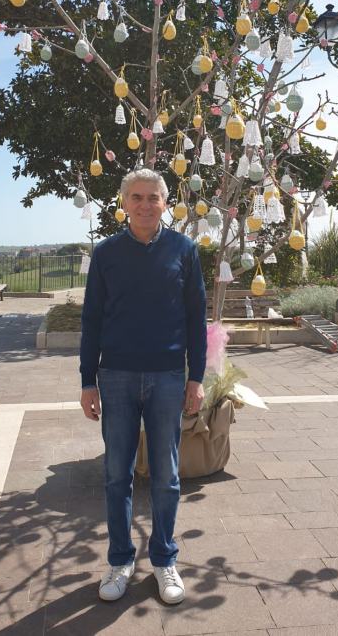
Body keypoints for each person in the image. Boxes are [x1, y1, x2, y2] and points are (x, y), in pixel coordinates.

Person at [79, 168, 207, 605]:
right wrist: (86, 381)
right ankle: (119, 560)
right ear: (124, 202)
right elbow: (91, 319)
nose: (145, 205)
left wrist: (197, 378)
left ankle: (164, 559)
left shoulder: (184, 250)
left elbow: (196, 319)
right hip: (115, 376)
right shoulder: (106, 254)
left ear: (166, 203)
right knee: (117, 475)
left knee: (168, 477)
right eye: (136, 197)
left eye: (153, 197)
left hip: (168, 376)